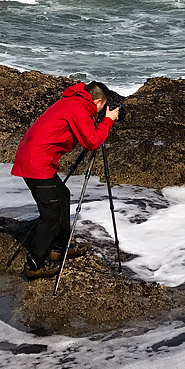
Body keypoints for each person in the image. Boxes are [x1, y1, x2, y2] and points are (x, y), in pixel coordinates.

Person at [11, 81, 120, 280]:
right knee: (50, 216)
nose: (100, 112)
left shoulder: (73, 102)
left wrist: (100, 120)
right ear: (97, 101)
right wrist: (108, 121)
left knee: (62, 195)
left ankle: (59, 249)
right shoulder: (78, 108)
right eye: (102, 108)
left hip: (36, 158)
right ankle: (34, 265)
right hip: (36, 163)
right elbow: (93, 141)